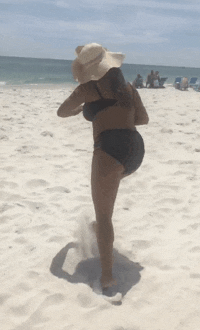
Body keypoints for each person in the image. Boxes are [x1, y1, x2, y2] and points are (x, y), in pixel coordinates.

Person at [57, 43, 149, 292]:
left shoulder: (89, 88)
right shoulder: (127, 88)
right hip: (135, 152)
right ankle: (99, 230)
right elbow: (143, 119)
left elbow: (62, 112)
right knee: (106, 201)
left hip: (109, 150)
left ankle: (107, 277)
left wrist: (81, 109)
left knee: (104, 215)